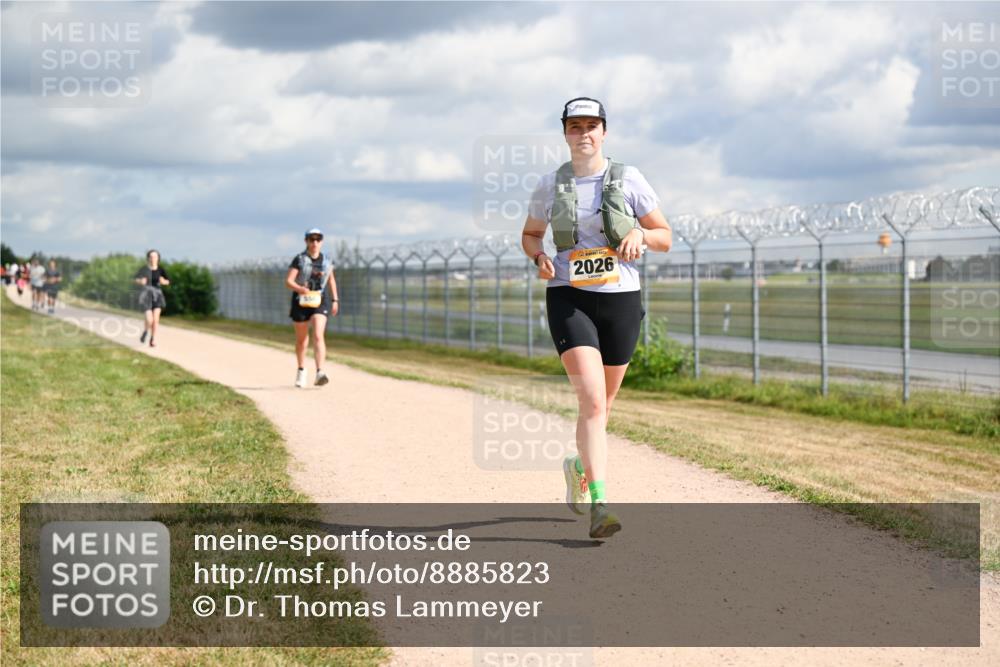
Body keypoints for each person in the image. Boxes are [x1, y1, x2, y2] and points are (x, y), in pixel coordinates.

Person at [521, 97, 672, 539]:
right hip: (569, 297)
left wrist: (640, 234)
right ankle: (601, 505)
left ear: (604, 132)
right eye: (575, 126)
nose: (583, 133)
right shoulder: (549, 185)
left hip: (621, 298)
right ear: (564, 133)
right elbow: (530, 235)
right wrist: (539, 257)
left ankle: (578, 466)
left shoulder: (629, 178)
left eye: (591, 125)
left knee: (603, 407)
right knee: (590, 400)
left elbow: (664, 236)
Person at [285, 228, 339, 388]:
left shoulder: (327, 260)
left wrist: (335, 300)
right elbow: (288, 281)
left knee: (318, 335)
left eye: (318, 239)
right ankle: (301, 370)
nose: (315, 242)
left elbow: (331, 280)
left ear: (322, 241)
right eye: (311, 239)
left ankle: (320, 372)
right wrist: (300, 288)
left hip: (319, 300)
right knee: (302, 340)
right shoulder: (300, 259)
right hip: (301, 301)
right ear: (306, 241)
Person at [134, 250, 170, 347]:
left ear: (158, 258)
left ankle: (152, 339)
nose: (153, 258)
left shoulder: (161, 270)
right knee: (149, 319)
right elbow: (135, 279)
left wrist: (164, 281)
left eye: (155, 257)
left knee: (156, 320)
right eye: (151, 257)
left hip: (157, 295)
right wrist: (140, 281)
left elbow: (168, 281)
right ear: (148, 258)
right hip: (146, 295)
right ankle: (146, 331)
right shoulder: (144, 269)